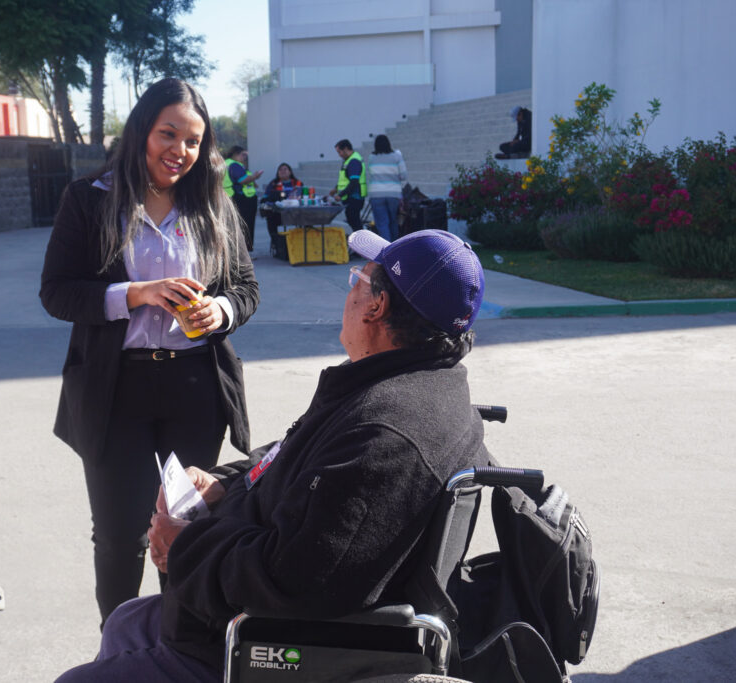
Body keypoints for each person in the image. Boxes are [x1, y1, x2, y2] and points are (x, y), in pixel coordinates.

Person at [56, 228, 489, 682]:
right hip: (248, 614)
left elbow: (293, 581)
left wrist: (186, 547)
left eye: (358, 280)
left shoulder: (386, 433)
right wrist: (227, 483)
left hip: (264, 646)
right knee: (126, 620)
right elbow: (297, 454)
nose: (350, 292)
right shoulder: (399, 383)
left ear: (376, 306)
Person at [39, 78, 260, 629]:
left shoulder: (213, 203)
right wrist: (134, 294)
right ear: (141, 130)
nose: (180, 150)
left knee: (185, 528)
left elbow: (246, 288)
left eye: (193, 141)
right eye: (168, 134)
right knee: (120, 536)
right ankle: (117, 648)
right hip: (116, 390)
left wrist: (221, 312)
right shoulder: (90, 199)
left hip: (195, 389)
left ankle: (177, 645)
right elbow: (57, 292)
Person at [367, 134, 408, 241]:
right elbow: (404, 176)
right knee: (393, 221)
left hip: (376, 194)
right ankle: (394, 245)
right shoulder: (396, 156)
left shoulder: (371, 158)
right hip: (393, 194)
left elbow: (370, 173)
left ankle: (387, 246)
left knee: (382, 223)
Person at [223, 145, 263, 253]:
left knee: (235, 226)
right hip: (241, 198)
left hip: (231, 197)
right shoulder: (234, 165)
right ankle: (245, 253)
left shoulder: (226, 164)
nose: (245, 157)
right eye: (243, 155)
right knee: (246, 226)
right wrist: (255, 176)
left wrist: (252, 180)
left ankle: (237, 252)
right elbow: (242, 180)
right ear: (235, 154)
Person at [329, 138, 367, 231]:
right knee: (352, 219)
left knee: (354, 220)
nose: (339, 155)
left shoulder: (354, 161)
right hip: (350, 197)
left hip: (355, 197)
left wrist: (340, 195)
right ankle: (359, 238)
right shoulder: (348, 161)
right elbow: (345, 179)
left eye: (339, 152)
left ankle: (361, 238)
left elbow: (354, 182)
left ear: (346, 149)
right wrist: (336, 188)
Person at [261, 162, 301, 242]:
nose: (282, 171)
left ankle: (300, 241)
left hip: (295, 214)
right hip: (278, 214)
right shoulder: (273, 184)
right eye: (280, 170)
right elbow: (265, 198)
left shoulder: (297, 183)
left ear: (290, 172)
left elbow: (302, 196)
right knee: (270, 218)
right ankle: (276, 242)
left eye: (285, 169)